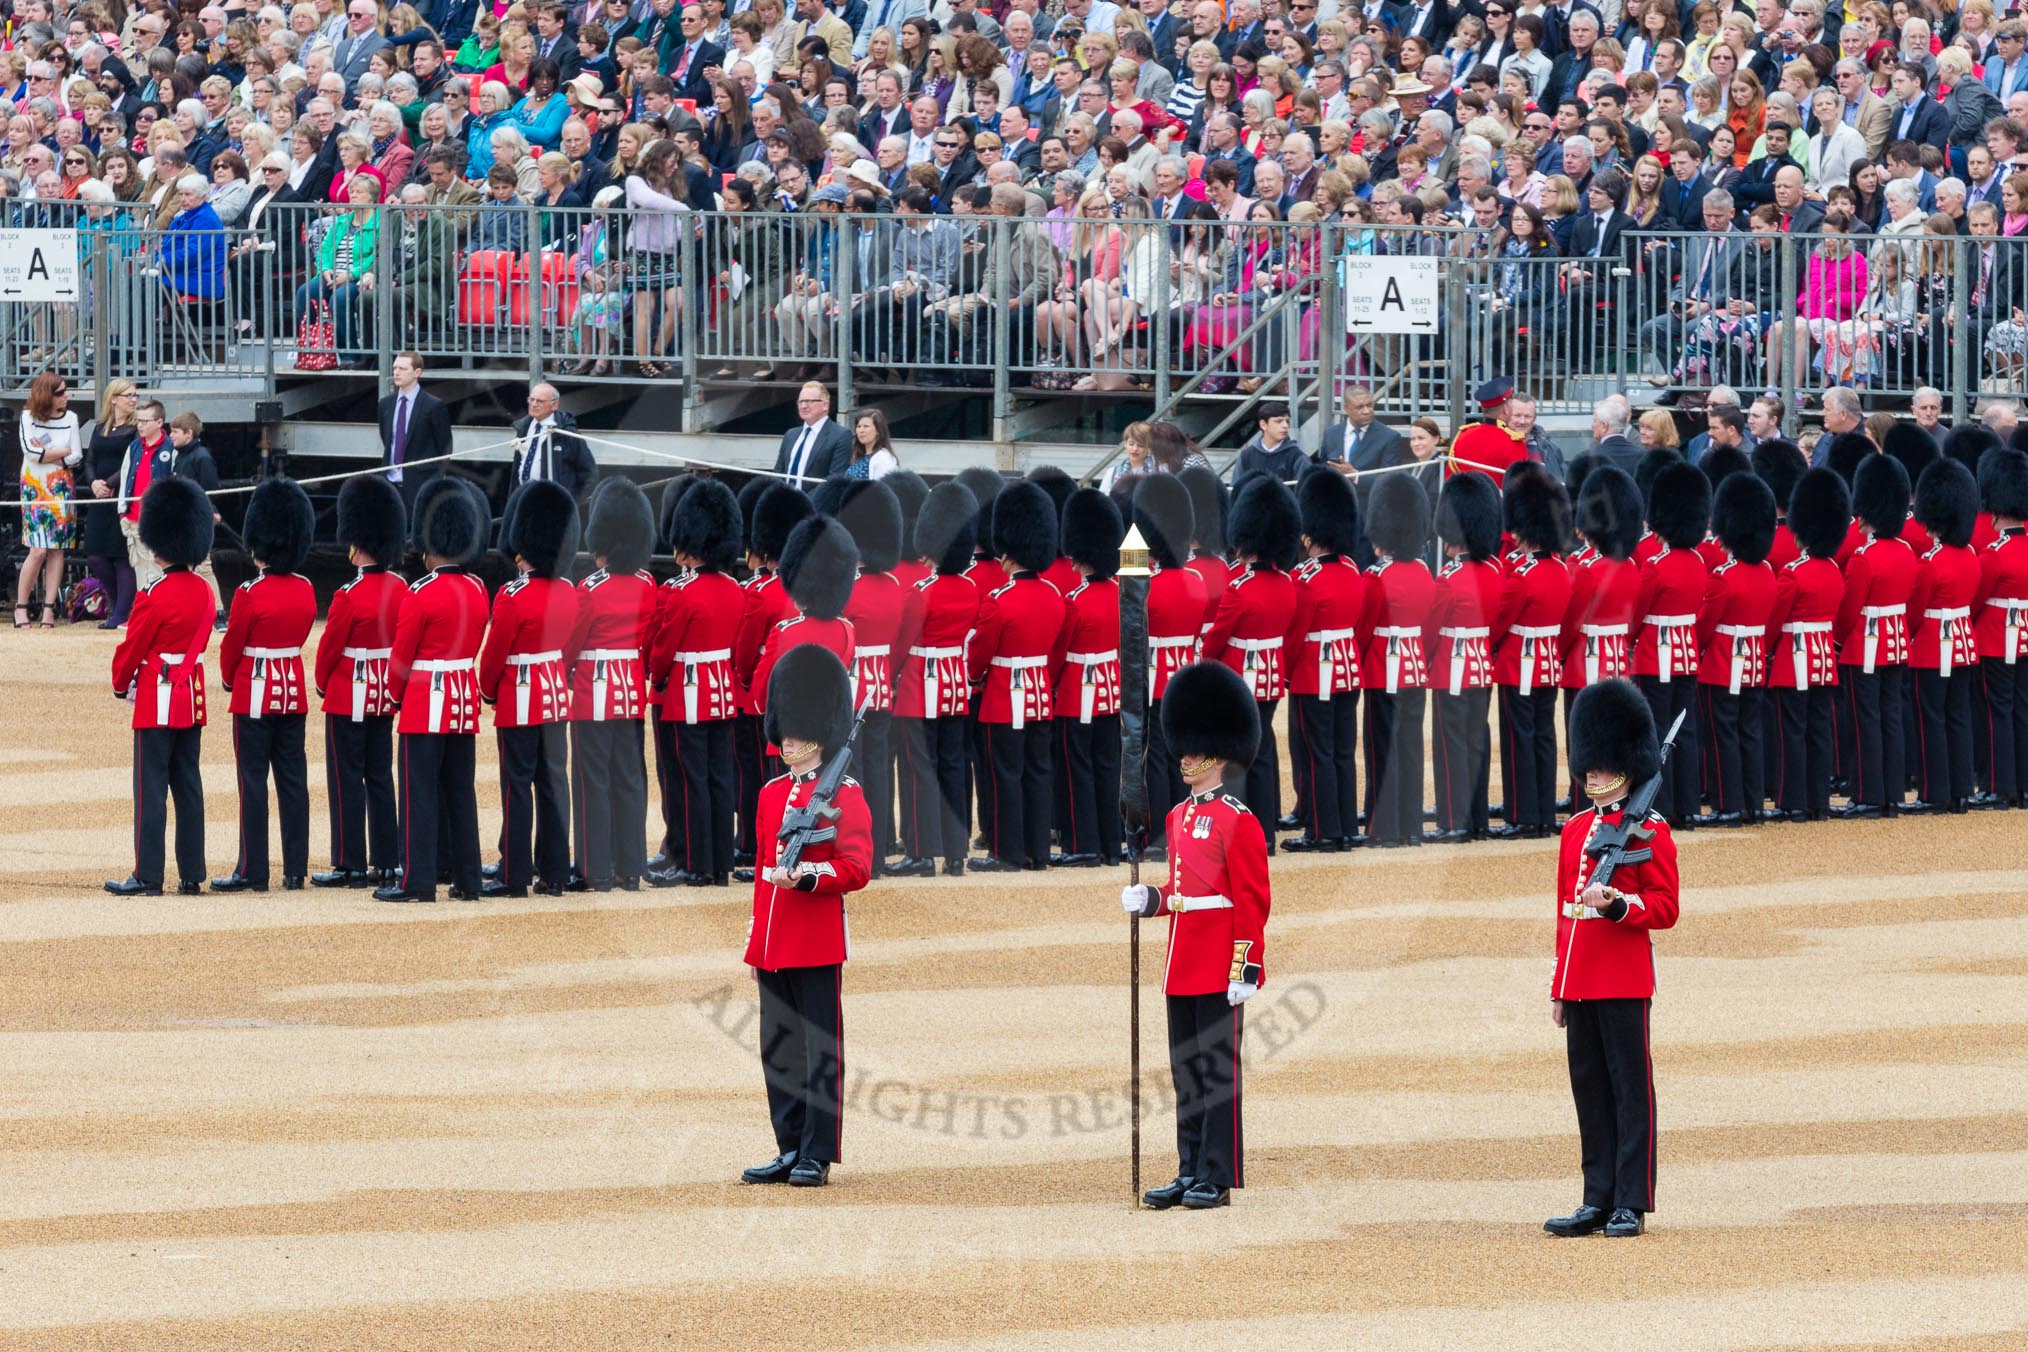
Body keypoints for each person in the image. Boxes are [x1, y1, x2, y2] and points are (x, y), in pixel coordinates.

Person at [1121, 659, 1271, 1211]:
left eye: (1193, 750)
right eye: (1182, 749)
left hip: (1219, 963)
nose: (1184, 758)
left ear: (1218, 753)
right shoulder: (1179, 817)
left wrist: (1247, 966)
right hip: (1182, 959)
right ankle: (1189, 1168)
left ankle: (1218, 1173)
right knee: (1185, 1073)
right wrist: (1152, 900)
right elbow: (1183, 888)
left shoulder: (1239, 818)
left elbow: (1252, 901)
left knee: (1216, 1074)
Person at [1545, 677, 1681, 1240]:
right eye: (1588, 767)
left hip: (1623, 979)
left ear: (1626, 763)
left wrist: (1621, 904)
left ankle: (1632, 1199)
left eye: (1601, 767)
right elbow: (1563, 917)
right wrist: (1559, 987)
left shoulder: (1651, 830)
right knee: (1591, 1092)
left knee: (1630, 1090)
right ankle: (1596, 1197)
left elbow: (1667, 907)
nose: (1592, 775)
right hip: (1581, 980)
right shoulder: (1577, 830)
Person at [738, 642, 871, 1190]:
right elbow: (762, 880)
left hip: (815, 939)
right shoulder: (772, 794)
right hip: (774, 941)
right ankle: (788, 1145)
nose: (786, 740)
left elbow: (857, 868)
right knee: (779, 1051)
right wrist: (754, 946)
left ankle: (817, 1151)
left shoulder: (846, 793)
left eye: (795, 732)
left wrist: (811, 878)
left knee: (820, 1050)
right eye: (784, 730)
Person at [376, 476, 492, 903]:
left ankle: (418, 881)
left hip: (426, 701)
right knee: (460, 792)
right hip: (462, 699)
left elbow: (402, 658)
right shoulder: (479, 589)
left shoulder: (420, 592)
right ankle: (469, 879)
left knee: (419, 793)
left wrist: (393, 695)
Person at [106, 477, 216, 897]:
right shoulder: (206, 592)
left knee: (150, 787)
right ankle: (192, 873)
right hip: (191, 696)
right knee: (188, 784)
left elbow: (133, 648)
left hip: (157, 698)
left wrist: (120, 683)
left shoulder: (155, 593)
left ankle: (148, 874)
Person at [210, 476, 317, 893]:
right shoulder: (307, 589)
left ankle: (253, 869)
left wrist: (227, 680)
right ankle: (295, 869)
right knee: (292, 781)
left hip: (254, 693)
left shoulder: (249, 592)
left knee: (252, 780)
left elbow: (232, 647)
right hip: (292, 691)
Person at [651, 479, 757, 887]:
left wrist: (657, 677)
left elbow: (663, 651)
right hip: (722, 692)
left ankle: (694, 863)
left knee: (691, 778)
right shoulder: (735, 589)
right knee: (719, 776)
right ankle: (720, 862)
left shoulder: (679, 592)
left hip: (686, 693)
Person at [479, 480, 581, 898]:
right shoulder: (570, 592)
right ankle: (555, 871)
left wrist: (487, 692)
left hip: (520, 699)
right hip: (555, 696)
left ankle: (515, 872)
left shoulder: (511, 595)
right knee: (554, 783)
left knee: (516, 785)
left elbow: (494, 656)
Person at [311, 473, 409, 888]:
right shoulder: (403, 588)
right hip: (385, 691)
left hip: (349, 691)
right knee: (380, 775)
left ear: (355, 544)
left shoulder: (348, 595)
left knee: (346, 777)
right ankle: (387, 860)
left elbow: (329, 650)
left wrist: (321, 683)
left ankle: (350, 862)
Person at [563, 478, 659, 892]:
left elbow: (571, 644)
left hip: (593, 693)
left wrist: (568, 671)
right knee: (629, 779)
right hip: (631, 692)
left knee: (592, 782)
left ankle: (595, 868)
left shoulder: (590, 589)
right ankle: (631, 867)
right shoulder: (648, 585)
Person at [966, 481, 1065, 871]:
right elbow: (1055, 651)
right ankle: (1038, 851)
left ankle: (1007, 851)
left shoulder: (999, 601)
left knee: (1004, 774)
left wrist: (975, 680)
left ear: (1007, 552)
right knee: (1039, 772)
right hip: (1040, 695)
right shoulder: (1055, 596)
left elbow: (978, 656)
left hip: (1003, 697)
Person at [1201, 475, 1300, 846]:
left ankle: (1240, 834)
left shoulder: (1239, 588)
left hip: (1240, 678)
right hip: (1272, 678)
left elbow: (1217, 639)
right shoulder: (1286, 583)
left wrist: (1201, 663)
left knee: (1237, 757)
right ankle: (1267, 830)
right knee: (1265, 751)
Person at [892, 481, 982, 878]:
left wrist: (891, 677)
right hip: (954, 687)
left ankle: (923, 853)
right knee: (953, 767)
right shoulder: (971, 589)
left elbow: (902, 645)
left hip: (919, 687)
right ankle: (956, 852)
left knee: (919, 771)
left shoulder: (921, 592)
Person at [821, 481, 909, 877]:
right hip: (882, 687)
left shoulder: (848, 589)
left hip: (853, 687)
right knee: (878, 770)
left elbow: (837, 640)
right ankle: (879, 851)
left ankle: (857, 853)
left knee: (851, 774)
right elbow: (902, 642)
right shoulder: (895, 588)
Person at [1282, 466, 1366, 852]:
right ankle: (1346, 825)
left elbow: (1295, 634)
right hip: (1348, 670)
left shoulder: (1304, 576)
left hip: (1314, 672)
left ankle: (1321, 829)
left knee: (1316, 753)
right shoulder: (1353, 570)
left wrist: (1284, 671)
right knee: (1342, 751)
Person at [1834, 454, 1918, 818]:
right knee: (1892, 717)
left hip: (1864, 646)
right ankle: (1892, 793)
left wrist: (1836, 642)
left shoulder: (1863, 557)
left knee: (1865, 719)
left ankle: (1868, 794)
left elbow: (1849, 609)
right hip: (1897, 643)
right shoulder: (1906, 552)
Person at [1491, 467, 1572, 840]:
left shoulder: (1520, 574)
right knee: (1544, 737)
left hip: (1517, 664)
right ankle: (1542, 813)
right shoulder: (1561, 569)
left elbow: (1499, 621)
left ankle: (1522, 815)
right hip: (1548, 663)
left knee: (1518, 739)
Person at [1693, 472, 1777, 826]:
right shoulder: (1768, 572)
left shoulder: (1724, 577)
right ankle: (1754, 803)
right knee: (1751, 732)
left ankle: (1728, 803)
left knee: (1722, 734)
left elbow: (1704, 625)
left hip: (1724, 662)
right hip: (1755, 660)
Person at [1767, 467, 1850, 822]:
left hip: (1794, 658)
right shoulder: (1833, 569)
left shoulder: (1793, 572)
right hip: (1823, 658)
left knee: (1793, 732)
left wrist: (1768, 649)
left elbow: (1775, 620)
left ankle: (1793, 801)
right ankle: (1819, 801)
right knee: (1819, 731)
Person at [1428, 471, 1504, 844]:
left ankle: (1453, 820)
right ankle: (1477, 819)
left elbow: (1430, 629)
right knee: (1477, 741)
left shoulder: (1449, 577)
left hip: (1452, 668)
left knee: (1450, 746)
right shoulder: (1495, 570)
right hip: (1481, 665)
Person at [1632, 459, 1710, 825]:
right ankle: (1688, 804)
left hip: (1654, 654)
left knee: (1657, 731)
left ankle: (1659, 805)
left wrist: (1630, 640)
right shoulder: (1697, 560)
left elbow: (1637, 614)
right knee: (1686, 729)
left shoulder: (1656, 564)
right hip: (1686, 653)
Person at [1051, 488, 1126, 866]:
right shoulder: (1121, 594)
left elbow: (1059, 654)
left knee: (1078, 769)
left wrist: (1048, 684)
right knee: (1109, 768)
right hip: (1111, 692)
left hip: (1078, 693)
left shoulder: (1075, 600)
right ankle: (1112, 844)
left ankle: (1083, 844)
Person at [1907, 460, 1981, 813]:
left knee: (1931, 718)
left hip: (1933, 646)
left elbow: (1915, 610)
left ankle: (1935, 791)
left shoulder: (1930, 561)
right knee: (1959, 715)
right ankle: (1962, 790)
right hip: (1964, 644)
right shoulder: (1970, 556)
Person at [1974, 449, 2028, 807]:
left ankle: (1998, 785)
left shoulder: (1994, 553)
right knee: (2023, 709)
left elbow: (1976, 599)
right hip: (2025, 635)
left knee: (1998, 711)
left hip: (1996, 636)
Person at [14, 372, 82, 630]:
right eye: (61, 392)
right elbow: (31, 453)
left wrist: (53, 455)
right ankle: (21, 606)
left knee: (57, 548)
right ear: (48, 396)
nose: (66, 396)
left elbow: (76, 456)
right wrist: (61, 452)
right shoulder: (27, 416)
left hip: (62, 486)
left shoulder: (72, 418)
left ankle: (49, 608)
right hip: (34, 486)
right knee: (37, 549)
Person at [81, 379, 141, 629]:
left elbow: (133, 461)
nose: (133, 399)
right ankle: (118, 604)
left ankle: (121, 611)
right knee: (95, 554)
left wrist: (109, 483)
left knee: (121, 554)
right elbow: (89, 460)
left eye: (135, 395)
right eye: (128, 395)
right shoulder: (100, 427)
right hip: (100, 497)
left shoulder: (136, 428)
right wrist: (94, 482)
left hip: (122, 494)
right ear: (113, 398)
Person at [378, 350, 453, 511]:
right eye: (395, 368)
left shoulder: (433, 406)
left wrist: (434, 482)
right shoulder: (385, 404)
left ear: (417, 372)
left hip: (421, 485)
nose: (396, 372)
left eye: (402, 369)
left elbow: (445, 447)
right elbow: (387, 439)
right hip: (389, 484)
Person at [512, 384, 600, 499]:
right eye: (531, 399)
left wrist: (571, 503)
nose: (534, 404)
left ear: (554, 405)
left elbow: (589, 473)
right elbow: (516, 469)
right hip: (523, 497)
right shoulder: (523, 428)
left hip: (554, 502)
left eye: (540, 401)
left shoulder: (566, 432)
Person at [1446, 375, 1530, 484]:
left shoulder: (1463, 435)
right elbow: (1520, 488)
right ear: (1505, 409)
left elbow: (1449, 479)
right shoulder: (1514, 444)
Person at [774, 382, 853, 486]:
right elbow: (779, 472)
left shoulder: (841, 435)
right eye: (800, 401)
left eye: (809, 401)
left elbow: (834, 481)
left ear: (825, 405)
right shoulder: (791, 434)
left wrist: (802, 501)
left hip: (814, 501)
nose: (803, 406)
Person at [1230, 401, 1305, 482]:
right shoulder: (1246, 456)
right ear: (1263, 425)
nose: (1285, 425)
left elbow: (1305, 492)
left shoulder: (1298, 457)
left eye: (1287, 421)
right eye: (1278, 421)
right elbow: (1236, 490)